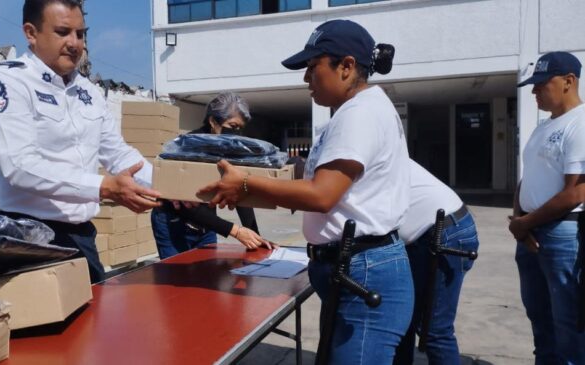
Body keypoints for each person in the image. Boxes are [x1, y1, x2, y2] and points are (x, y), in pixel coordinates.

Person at [200, 19, 413, 364]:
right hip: (355, 266)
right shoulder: (352, 112)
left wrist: (245, 184)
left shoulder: (360, 114)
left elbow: (321, 195)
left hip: (365, 268)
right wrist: (262, 172)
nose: (305, 79)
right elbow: (313, 178)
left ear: (346, 66)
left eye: (313, 68)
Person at [0, 0, 161, 283]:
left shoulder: (88, 91)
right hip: (22, 238)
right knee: (38, 325)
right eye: (63, 32)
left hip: (79, 236)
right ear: (31, 33)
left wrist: (168, 188)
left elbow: (117, 153)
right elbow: (20, 167)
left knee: (93, 320)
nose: (75, 43)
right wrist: (104, 187)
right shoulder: (7, 84)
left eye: (81, 33)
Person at [509, 51, 585, 364]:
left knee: (568, 323)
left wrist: (526, 223)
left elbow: (577, 191)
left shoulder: (580, 124)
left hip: (561, 234)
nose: (534, 91)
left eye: (542, 83)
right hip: (530, 231)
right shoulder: (544, 127)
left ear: (569, 82)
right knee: (539, 318)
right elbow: (527, 179)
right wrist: (518, 220)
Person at [151, 92, 271, 259]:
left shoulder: (229, 147)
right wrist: (235, 231)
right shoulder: (186, 148)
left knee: (207, 273)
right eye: (233, 126)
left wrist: (255, 236)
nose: (236, 134)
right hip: (174, 222)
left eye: (240, 128)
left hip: (206, 224)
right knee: (177, 276)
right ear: (213, 121)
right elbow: (186, 204)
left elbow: (238, 191)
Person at [394, 160, 479, 365]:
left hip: (445, 232)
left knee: (435, 329)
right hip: (431, 232)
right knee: (402, 321)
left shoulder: (364, 156)